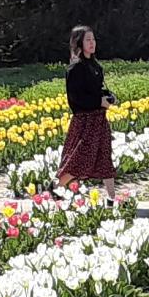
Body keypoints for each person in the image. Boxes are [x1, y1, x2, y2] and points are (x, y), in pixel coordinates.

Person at [57, 25, 117, 197]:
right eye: (88, 40)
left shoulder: (95, 66)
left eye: (93, 39)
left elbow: (96, 90)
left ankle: (112, 198)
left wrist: (108, 96)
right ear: (79, 43)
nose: (92, 43)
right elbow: (75, 99)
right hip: (85, 122)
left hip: (99, 119)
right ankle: (54, 190)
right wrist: (99, 102)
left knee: (105, 157)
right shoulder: (75, 68)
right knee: (79, 160)